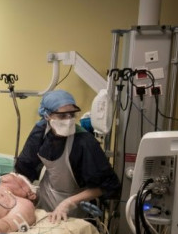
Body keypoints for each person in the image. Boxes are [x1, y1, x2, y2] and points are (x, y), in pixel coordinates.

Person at [15, 90, 120, 224]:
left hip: (75, 208)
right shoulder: (41, 131)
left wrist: (68, 203)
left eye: (71, 115)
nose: (68, 120)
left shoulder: (84, 141)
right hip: (45, 198)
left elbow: (106, 186)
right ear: (47, 116)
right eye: (62, 115)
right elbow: (25, 168)